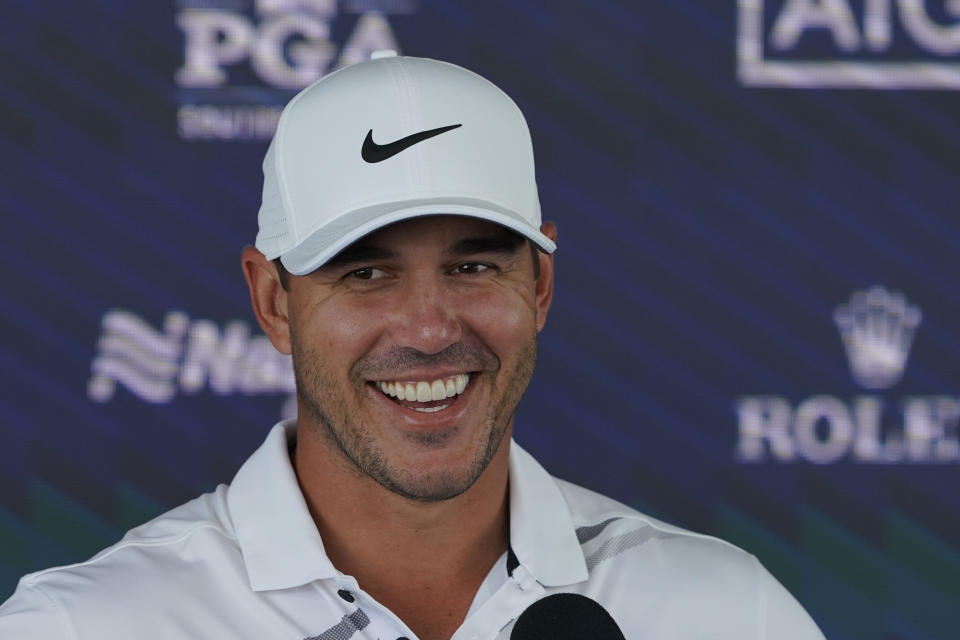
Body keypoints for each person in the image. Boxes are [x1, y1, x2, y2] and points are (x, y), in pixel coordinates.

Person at [0, 53, 825, 640]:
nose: (430, 329)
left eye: (473, 264)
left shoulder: (727, 613)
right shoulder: (84, 625)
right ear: (272, 300)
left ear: (539, 285)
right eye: (365, 272)